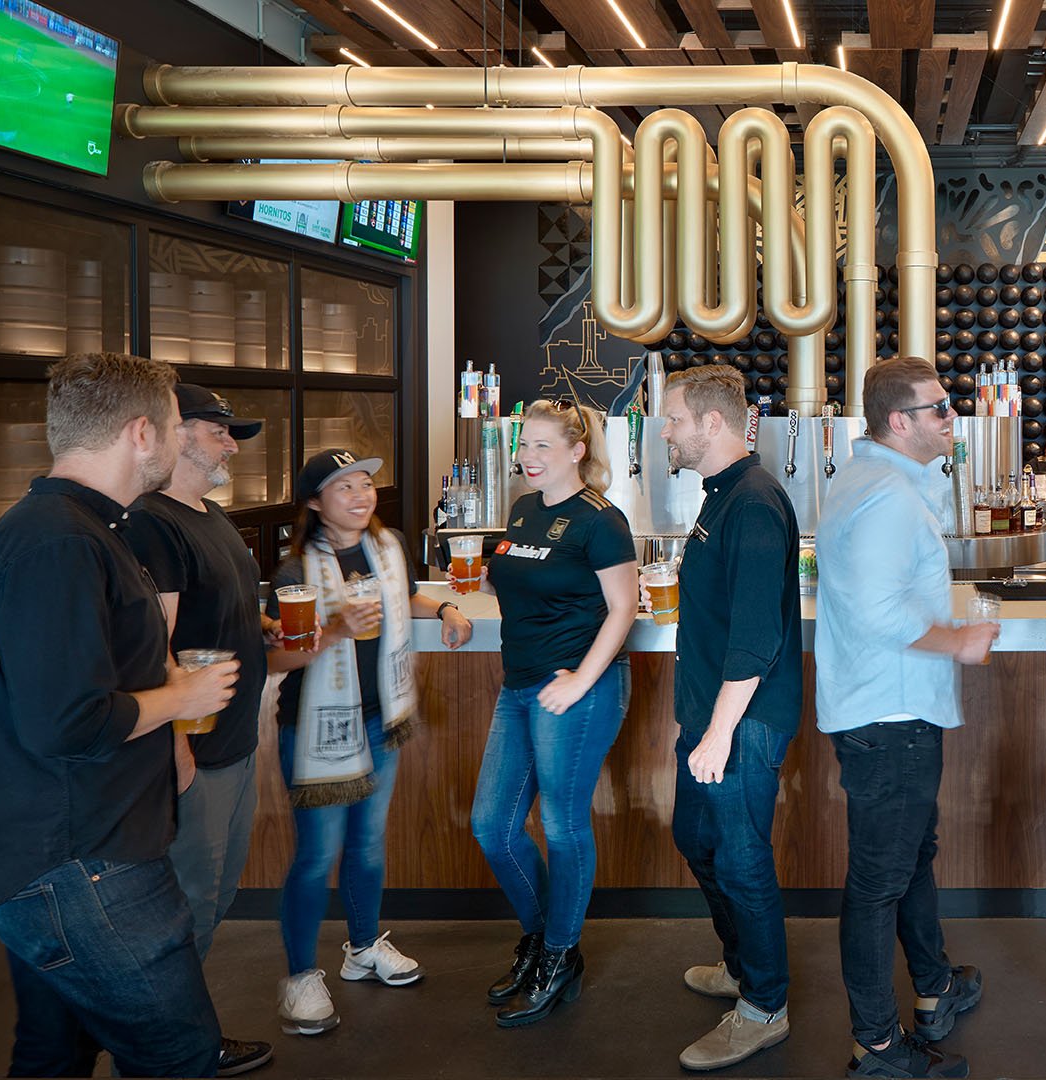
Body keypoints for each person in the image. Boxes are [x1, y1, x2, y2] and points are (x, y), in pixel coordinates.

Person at [0, 352, 239, 1077]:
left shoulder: (85, 529)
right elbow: (65, 721)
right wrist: (183, 698)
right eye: (178, 426)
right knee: (180, 1055)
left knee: (52, 1054)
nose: (184, 441)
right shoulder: (57, 543)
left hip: (69, 858)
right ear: (141, 433)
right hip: (79, 867)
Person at [815, 359, 997, 1079]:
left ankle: (932, 987)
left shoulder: (877, 482)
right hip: (889, 716)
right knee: (878, 881)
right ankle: (879, 1046)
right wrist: (959, 640)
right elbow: (876, 609)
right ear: (900, 421)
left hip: (895, 709)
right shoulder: (887, 493)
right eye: (941, 408)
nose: (952, 418)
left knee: (911, 858)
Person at [266, 449, 473, 1036]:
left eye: (364, 484)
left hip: (383, 719)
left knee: (369, 846)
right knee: (316, 857)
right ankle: (301, 976)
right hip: (316, 730)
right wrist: (334, 631)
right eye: (343, 488)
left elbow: (404, 595)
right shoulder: (295, 573)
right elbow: (277, 657)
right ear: (313, 503)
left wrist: (448, 607)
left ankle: (361, 949)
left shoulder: (388, 546)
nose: (361, 496)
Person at [469, 399, 639, 1028]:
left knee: (564, 827)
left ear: (575, 451)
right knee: (493, 826)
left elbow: (623, 608)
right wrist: (493, 582)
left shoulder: (602, 520)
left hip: (578, 687)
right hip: (519, 687)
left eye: (542, 446)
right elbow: (516, 573)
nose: (527, 458)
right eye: (523, 445)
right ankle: (545, 939)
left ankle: (559, 955)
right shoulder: (522, 509)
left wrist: (580, 679)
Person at [125, 384, 275, 1076]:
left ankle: (181, 1040)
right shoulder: (155, 522)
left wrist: (265, 625)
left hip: (236, 742)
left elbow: (224, 616)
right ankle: (163, 1052)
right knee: (187, 907)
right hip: (197, 751)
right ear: (178, 434)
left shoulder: (210, 515)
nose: (231, 444)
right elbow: (156, 644)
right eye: (220, 431)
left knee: (212, 901)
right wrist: (178, 743)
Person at [660, 364, 804, 1071]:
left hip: (743, 721)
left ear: (712, 423)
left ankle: (764, 1005)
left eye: (675, 420)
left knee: (742, 859)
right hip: (713, 716)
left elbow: (754, 637)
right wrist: (695, 719)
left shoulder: (752, 502)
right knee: (696, 836)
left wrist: (717, 730)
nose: (667, 430)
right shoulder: (718, 495)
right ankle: (743, 961)